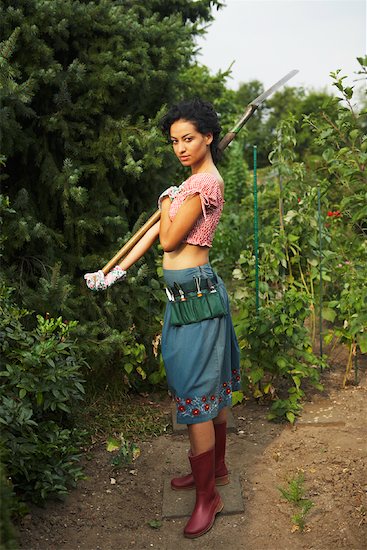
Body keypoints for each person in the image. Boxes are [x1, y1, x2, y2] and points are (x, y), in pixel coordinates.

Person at [84, 99, 241, 539]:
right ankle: (217, 468)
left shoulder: (204, 186)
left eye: (188, 138)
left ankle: (209, 496)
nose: (180, 148)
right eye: (174, 141)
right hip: (183, 298)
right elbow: (150, 233)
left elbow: (170, 239)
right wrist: (112, 273)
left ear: (209, 136)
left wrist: (167, 200)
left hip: (199, 299)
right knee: (205, 386)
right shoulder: (189, 185)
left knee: (195, 394)